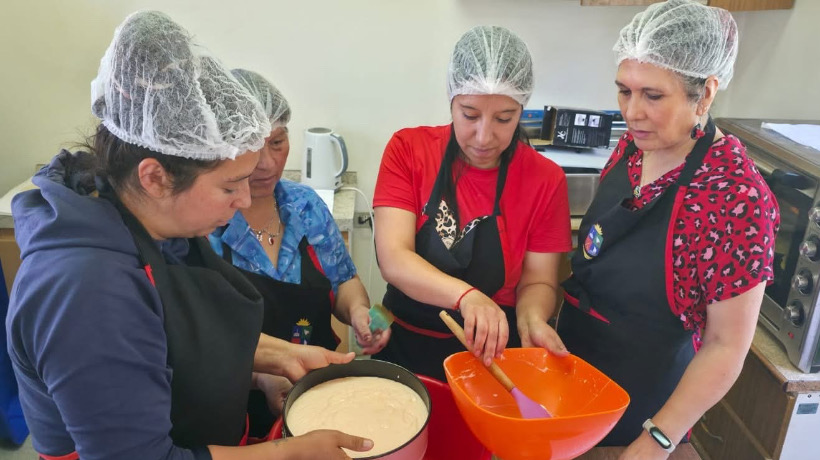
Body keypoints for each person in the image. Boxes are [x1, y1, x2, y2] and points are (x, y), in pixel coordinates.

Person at [5, 11, 372, 460]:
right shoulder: (85, 291)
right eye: (229, 186)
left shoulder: (152, 225)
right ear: (155, 177)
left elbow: (176, 336)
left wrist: (275, 360)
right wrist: (286, 453)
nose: (243, 201)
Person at [556, 0, 780, 457]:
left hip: (643, 415)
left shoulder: (735, 199)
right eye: (624, 91)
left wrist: (657, 440)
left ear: (706, 93)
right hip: (573, 381)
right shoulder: (633, 149)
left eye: (653, 96)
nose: (631, 113)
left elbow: (724, 346)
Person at [372, 25, 572, 381]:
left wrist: (532, 320)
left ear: (521, 110)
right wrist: (466, 296)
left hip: (490, 357)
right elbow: (394, 258)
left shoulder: (546, 179)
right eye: (469, 114)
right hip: (402, 342)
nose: (484, 137)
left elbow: (538, 281)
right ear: (451, 100)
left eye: (504, 119)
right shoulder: (408, 149)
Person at [209, 69, 390, 439]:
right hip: (233, 412)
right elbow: (196, 344)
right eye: (253, 147)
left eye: (277, 143)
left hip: (319, 393)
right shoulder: (203, 225)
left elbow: (344, 281)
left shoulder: (305, 206)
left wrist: (359, 312)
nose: (268, 163)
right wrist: (262, 376)